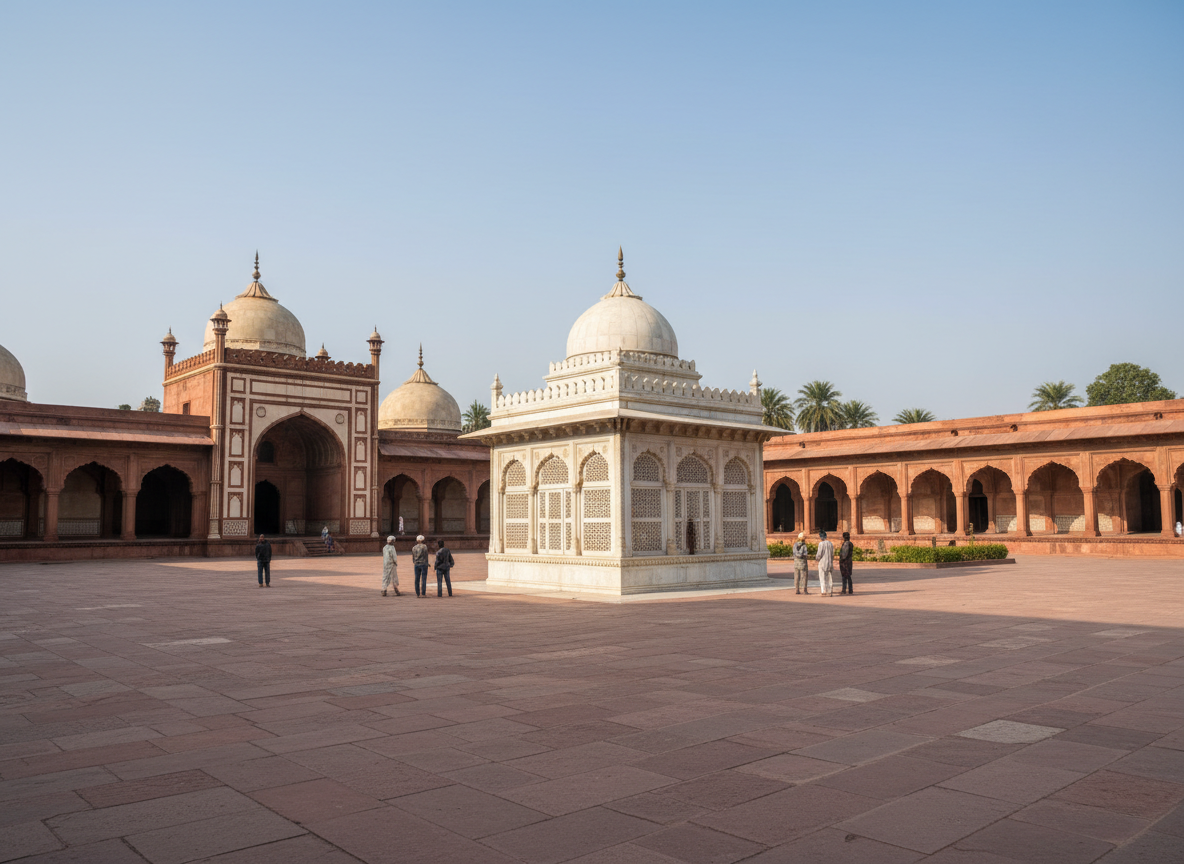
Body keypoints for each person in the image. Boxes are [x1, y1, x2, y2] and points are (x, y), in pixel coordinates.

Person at [815, 530, 835, 597]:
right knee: (829, 577)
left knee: (822, 577)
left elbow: (819, 554)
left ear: (820, 537)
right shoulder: (830, 543)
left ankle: (823, 591)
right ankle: (830, 591)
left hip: (822, 562)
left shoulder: (821, 544)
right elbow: (832, 553)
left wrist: (817, 559)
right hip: (829, 562)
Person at [838, 531, 854, 595]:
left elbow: (845, 554)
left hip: (845, 562)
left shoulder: (846, 544)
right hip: (849, 561)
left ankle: (844, 590)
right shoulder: (850, 543)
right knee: (848, 576)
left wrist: (841, 560)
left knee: (845, 576)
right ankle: (850, 589)